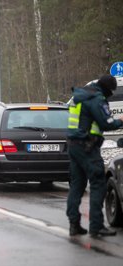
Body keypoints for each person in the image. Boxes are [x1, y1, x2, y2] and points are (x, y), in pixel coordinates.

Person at [66, 74, 123, 237]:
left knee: (77, 185)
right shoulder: (96, 99)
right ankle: (96, 226)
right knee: (99, 183)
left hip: (74, 145)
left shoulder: (80, 97)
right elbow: (107, 123)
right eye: (111, 92)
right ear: (107, 89)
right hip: (87, 146)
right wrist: (120, 120)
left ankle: (74, 224)